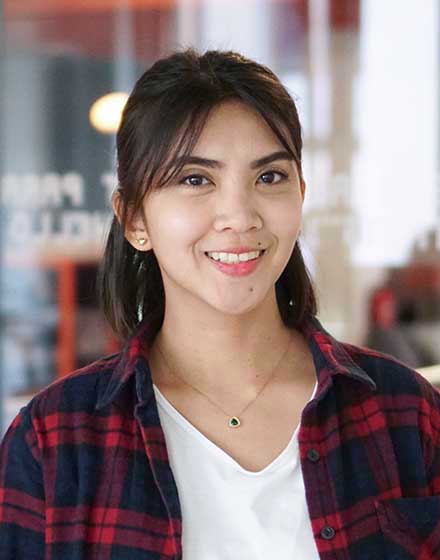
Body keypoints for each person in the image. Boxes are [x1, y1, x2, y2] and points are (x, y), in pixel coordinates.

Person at [1, 48, 440, 560]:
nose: (239, 215)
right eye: (195, 180)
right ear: (135, 219)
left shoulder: (404, 413)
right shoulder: (53, 441)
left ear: (300, 194)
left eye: (269, 177)